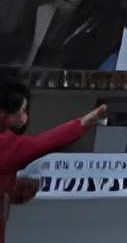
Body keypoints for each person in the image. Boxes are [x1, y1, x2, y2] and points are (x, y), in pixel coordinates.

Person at [0, 78, 107, 238]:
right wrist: (84, 123)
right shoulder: (6, 144)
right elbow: (44, 143)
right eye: (20, 110)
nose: (24, 117)